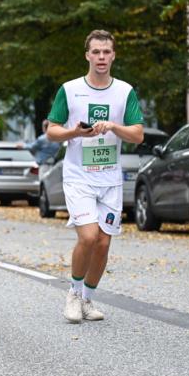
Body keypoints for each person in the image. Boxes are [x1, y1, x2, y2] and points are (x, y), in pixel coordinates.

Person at [46, 29, 144, 323]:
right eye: (96, 52)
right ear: (87, 55)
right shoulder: (70, 89)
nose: (101, 57)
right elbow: (52, 131)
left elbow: (137, 134)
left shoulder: (125, 91)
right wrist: (75, 132)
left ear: (113, 55)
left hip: (110, 179)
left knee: (103, 242)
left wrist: (114, 127)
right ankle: (74, 294)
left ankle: (88, 299)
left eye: (106, 52)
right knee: (88, 236)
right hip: (78, 177)